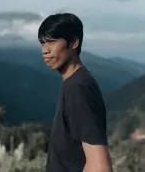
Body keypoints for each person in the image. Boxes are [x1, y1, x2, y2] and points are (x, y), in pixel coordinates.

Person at [38, 13, 113, 172]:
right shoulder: (76, 83)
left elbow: (100, 166)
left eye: (52, 42)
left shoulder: (77, 88)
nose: (45, 50)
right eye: (42, 43)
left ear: (74, 43)